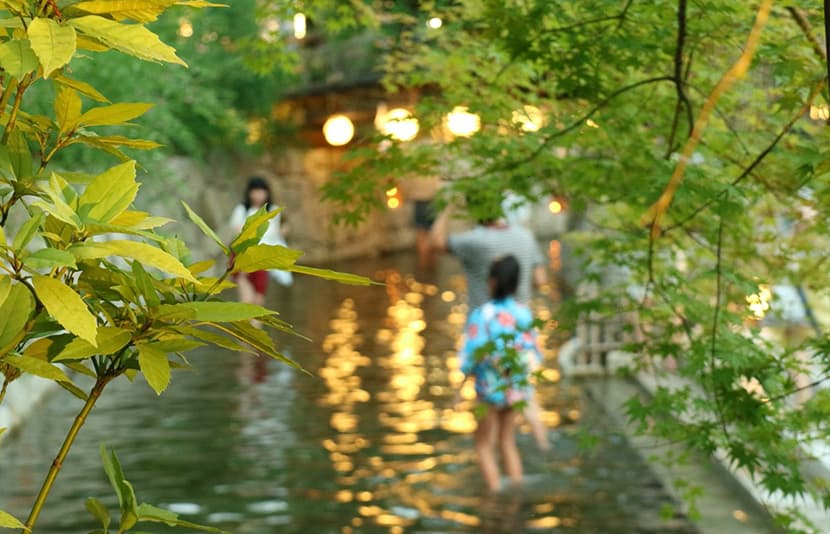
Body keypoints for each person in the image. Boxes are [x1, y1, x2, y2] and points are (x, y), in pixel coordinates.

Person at [431, 193, 550, 450]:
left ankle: (493, 482)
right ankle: (545, 451)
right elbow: (541, 280)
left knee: (485, 440)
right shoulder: (525, 237)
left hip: (486, 339)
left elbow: (436, 242)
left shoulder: (475, 240)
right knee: (524, 401)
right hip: (518, 335)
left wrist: (448, 206)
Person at [458, 255, 542, 492]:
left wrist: (460, 387)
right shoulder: (523, 313)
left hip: (489, 388)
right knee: (507, 442)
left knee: (483, 444)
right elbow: (533, 351)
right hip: (515, 386)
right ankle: (516, 488)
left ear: (492, 281)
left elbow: (470, 357)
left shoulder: (482, 315)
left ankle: (495, 496)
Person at [229, 176, 291, 309]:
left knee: (258, 302)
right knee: (246, 300)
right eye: (255, 191)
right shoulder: (242, 209)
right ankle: (245, 328)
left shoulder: (273, 209)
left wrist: (283, 231)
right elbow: (237, 231)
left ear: (267, 193)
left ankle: (254, 328)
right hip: (244, 256)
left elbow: (281, 229)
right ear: (249, 192)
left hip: (262, 259)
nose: (258, 195)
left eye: (261, 191)